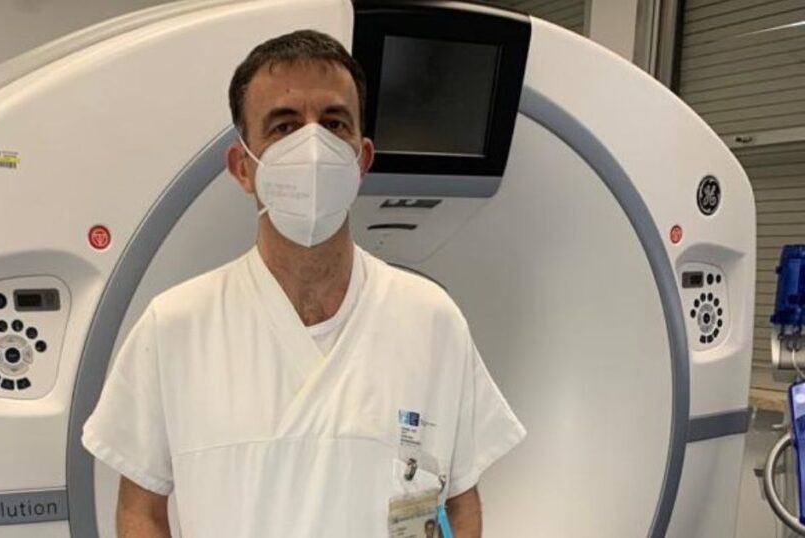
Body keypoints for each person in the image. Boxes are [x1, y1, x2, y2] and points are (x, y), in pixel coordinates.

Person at [81, 29, 525, 538]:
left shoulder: (431, 319)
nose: (312, 147)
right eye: (284, 126)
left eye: (334, 124)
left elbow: (461, 503)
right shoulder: (175, 326)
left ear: (362, 160)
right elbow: (140, 510)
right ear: (242, 167)